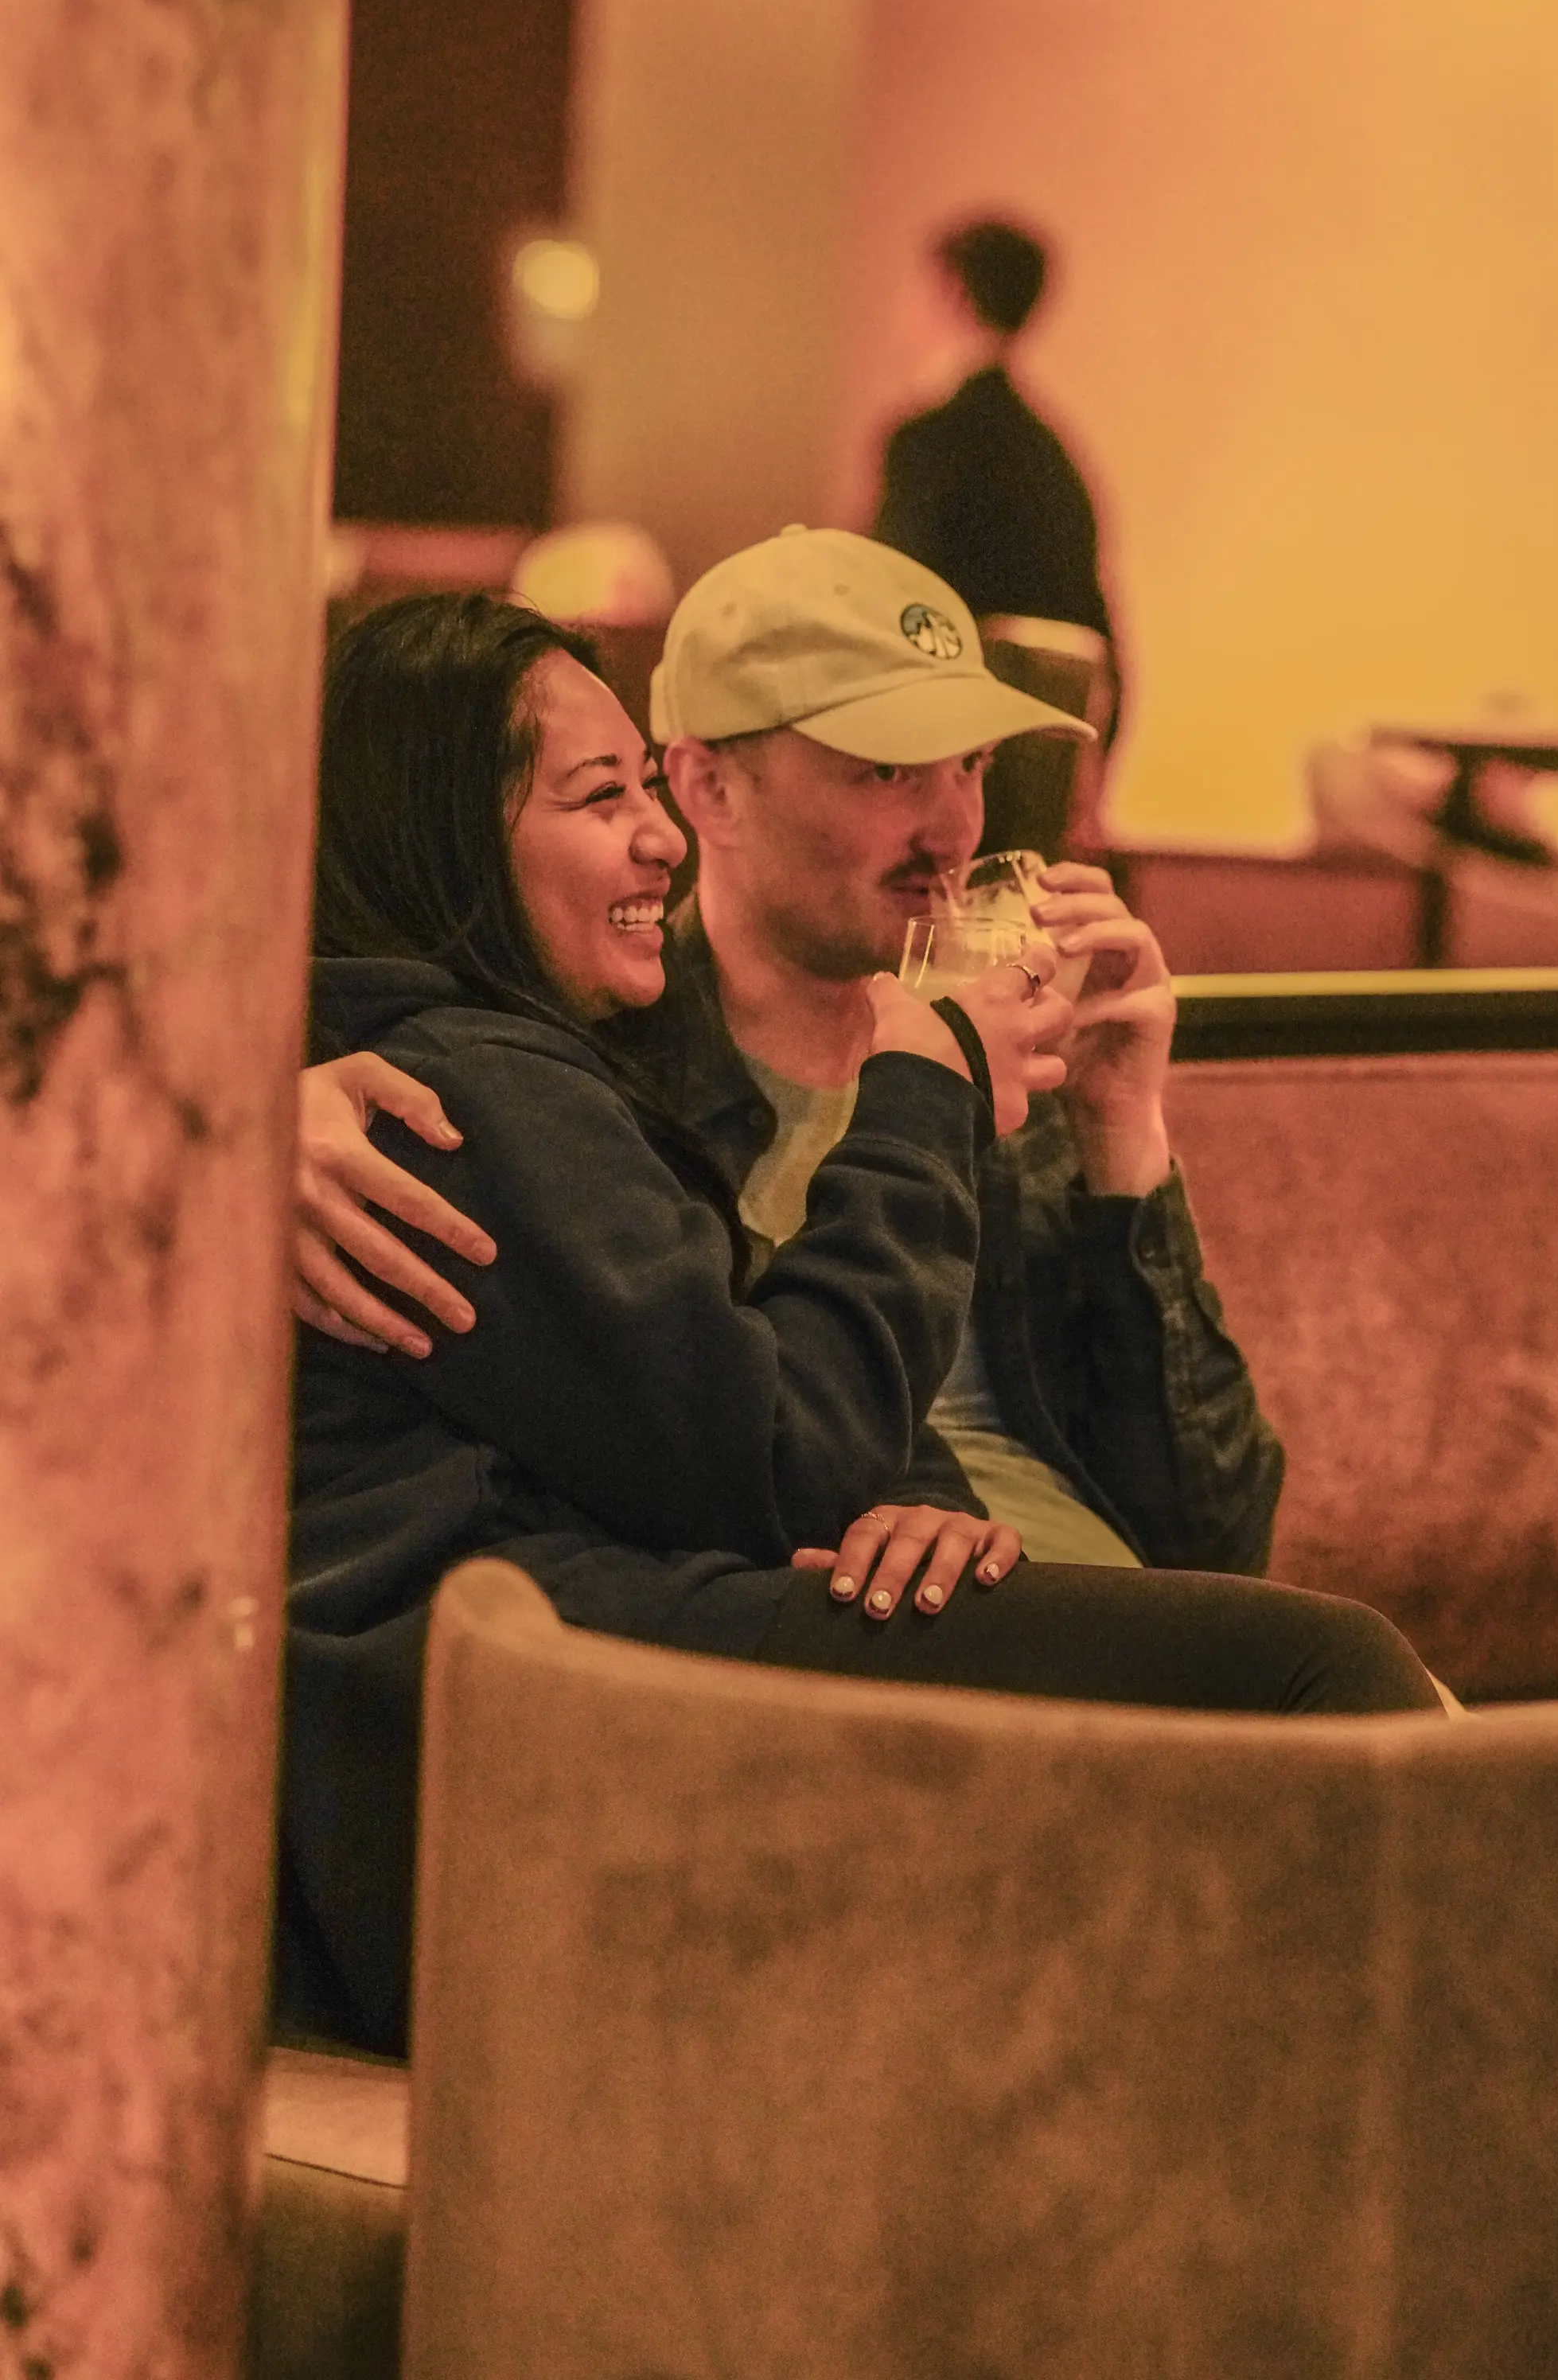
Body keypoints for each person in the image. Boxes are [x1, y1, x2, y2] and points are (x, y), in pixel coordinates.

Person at [288, 567, 1439, 2055]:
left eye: (966, 764)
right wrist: (920, 1102)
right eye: (884, 767)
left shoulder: (986, 1065)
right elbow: (752, 1434)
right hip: (559, 1710)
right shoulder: (550, 1071)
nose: (951, 824)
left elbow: (1211, 1528)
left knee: (1366, 1711)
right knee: (1334, 1696)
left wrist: (1120, 1146)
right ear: (716, 786)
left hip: (908, 1617)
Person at [873, 216, 1125, 743]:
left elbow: (892, 607)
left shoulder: (928, 443)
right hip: (1044, 745)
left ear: (950, 292)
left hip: (952, 743)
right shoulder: (1052, 454)